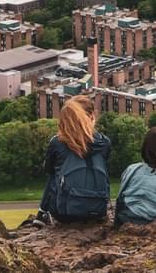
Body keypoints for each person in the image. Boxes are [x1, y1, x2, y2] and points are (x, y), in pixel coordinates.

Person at [39, 95, 112, 223]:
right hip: (97, 210)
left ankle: (42, 213)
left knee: (53, 176)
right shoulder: (104, 142)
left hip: (65, 214)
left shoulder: (57, 143)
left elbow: (48, 170)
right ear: (91, 116)